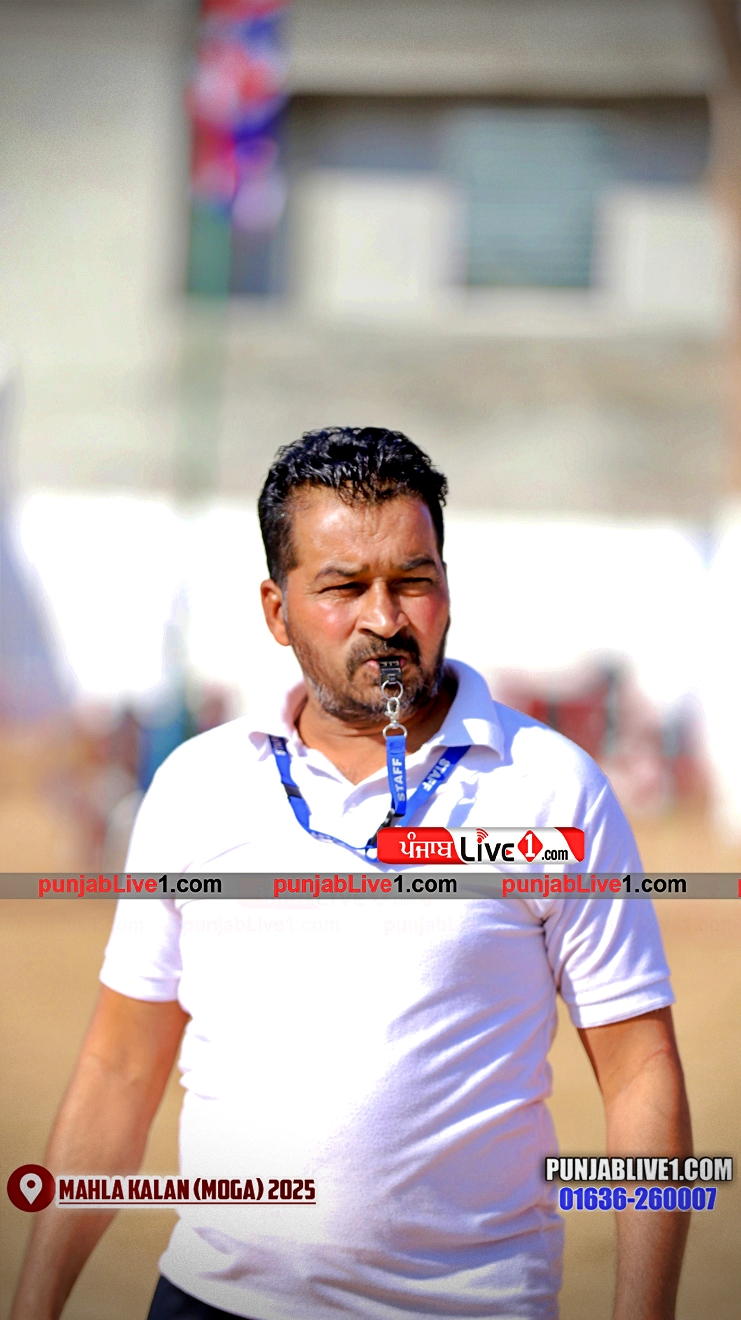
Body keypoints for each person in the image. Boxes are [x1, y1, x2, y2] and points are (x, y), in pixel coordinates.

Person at [12, 428, 691, 1320]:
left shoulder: (551, 789)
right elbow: (118, 1071)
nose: (385, 617)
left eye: (412, 579)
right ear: (276, 610)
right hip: (211, 1301)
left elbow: (640, 1074)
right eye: (342, 587)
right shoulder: (195, 788)